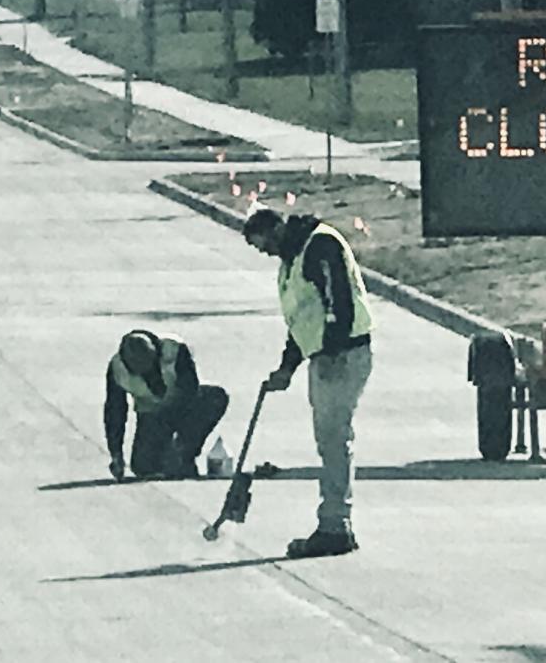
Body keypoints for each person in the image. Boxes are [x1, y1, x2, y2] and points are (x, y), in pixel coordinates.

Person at [243, 206, 374, 559]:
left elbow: (339, 303)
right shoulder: (293, 259)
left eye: (265, 245)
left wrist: (331, 352)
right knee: (329, 438)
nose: (266, 252)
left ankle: (335, 526)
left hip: (344, 354)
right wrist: (287, 368)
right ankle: (336, 522)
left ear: (277, 229)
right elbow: (304, 318)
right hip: (326, 355)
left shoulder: (321, 246)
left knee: (334, 438)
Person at [104, 329, 229, 481]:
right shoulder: (117, 369)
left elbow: (190, 390)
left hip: (181, 403)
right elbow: (115, 412)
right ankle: (171, 459)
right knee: (142, 467)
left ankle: (184, 454)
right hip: (151, 415)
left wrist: (179, 442)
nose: (148, 374)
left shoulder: (175, 349)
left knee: (215, 398)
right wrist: (116, 455)